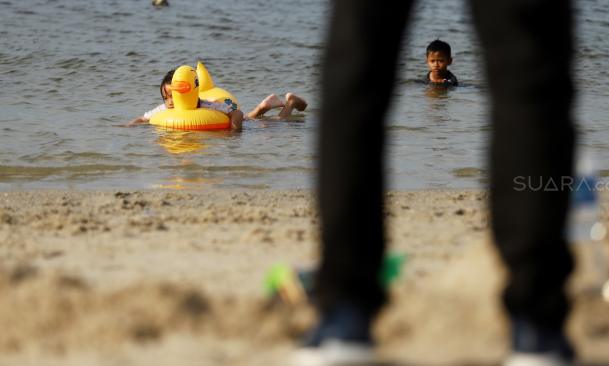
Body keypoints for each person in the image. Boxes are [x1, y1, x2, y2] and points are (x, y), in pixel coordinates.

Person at [291, 0, 577, 366]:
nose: (437, 65)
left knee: (357, 61)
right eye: (432, 60)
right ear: (427, 62)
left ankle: (346, 315)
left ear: (449, 63)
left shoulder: (452, 82)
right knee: (528, 64)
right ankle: (538, 328)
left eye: (442, 60)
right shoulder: (424, 81)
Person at [127, 69, 308, 130]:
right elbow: (143, 118)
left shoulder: (208, 106)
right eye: (165, 98)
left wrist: (235, 130)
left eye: (172, 96)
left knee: (275, 122)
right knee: (253, 117)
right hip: (233, 118)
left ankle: (290, 102)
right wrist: (128, 126)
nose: (170, 102)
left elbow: (236, 113)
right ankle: (265, 105)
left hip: (235, 122)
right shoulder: (164, 110)